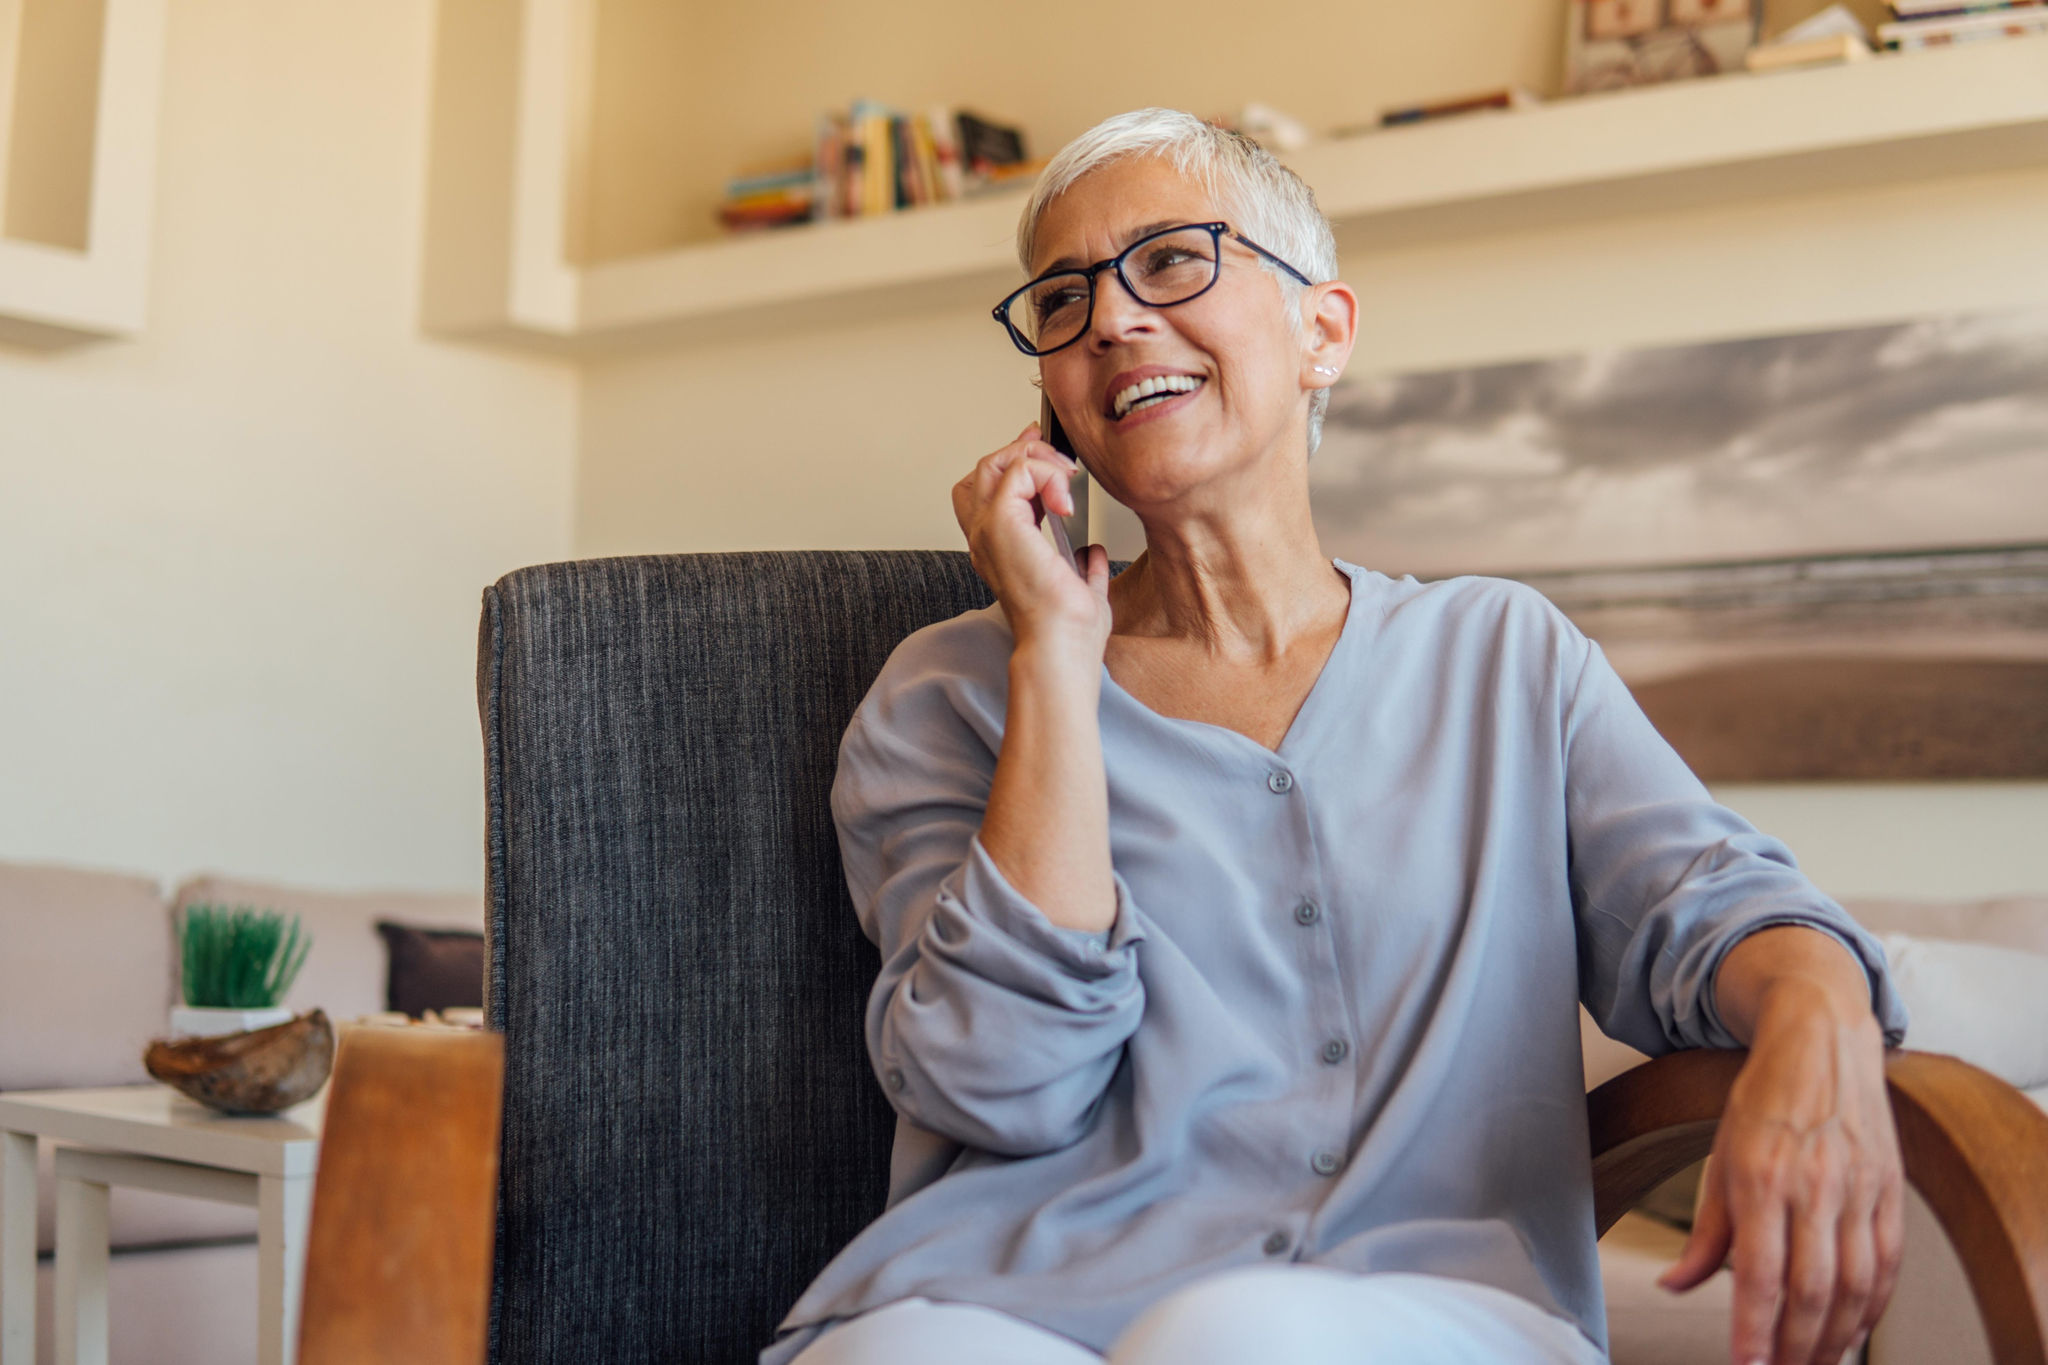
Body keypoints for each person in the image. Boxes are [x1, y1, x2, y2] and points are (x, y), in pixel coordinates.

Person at [765, 108, 1909, 1365]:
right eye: (1062, 298)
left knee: (1242, 1337)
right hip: (995, 1298)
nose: (1110, 319)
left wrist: (1819, 1026)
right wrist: (1049, 660)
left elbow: (1714, 908)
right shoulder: (948, 692)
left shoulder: (1500, 657)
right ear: (1051, 396)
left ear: (1322, 331)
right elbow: (996, 1082)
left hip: (1425, 1300)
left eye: (1169, 260)